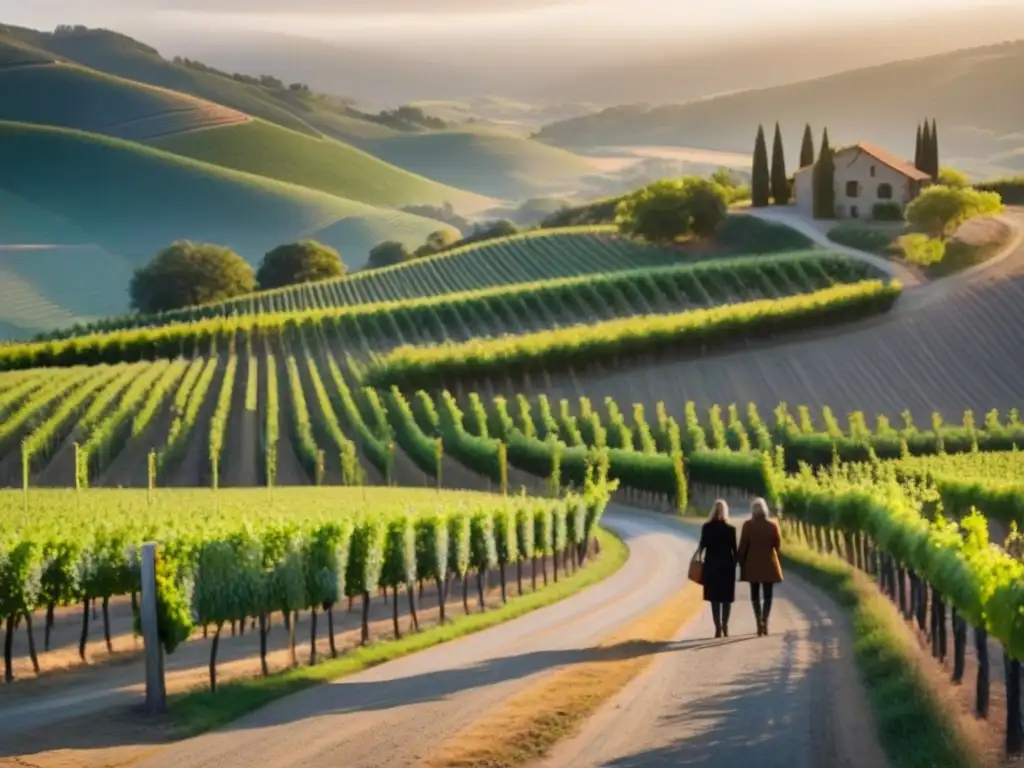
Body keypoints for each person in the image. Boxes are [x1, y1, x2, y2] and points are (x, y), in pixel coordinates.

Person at [738, 497, 783, 636]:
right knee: (768, 596)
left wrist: (740, 562)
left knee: (755, 595)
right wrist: (777, 560)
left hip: (752, 565)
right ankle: (765, 620)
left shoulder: (748, 525)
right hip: (769, 563)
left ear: (753, 510)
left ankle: (758, 622)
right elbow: (777, 546)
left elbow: (743, 546)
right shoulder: (773, 526)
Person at [696, 499, 738, 638]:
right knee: (725, 598)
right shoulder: (730, 529)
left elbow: (702, 545)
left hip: (712, 565)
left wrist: (697, 559)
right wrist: (737, 565)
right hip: (726, 566)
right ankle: (723, 626)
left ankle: (718, 627)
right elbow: (734, 550)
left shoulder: (707, 527)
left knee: (715, 599)